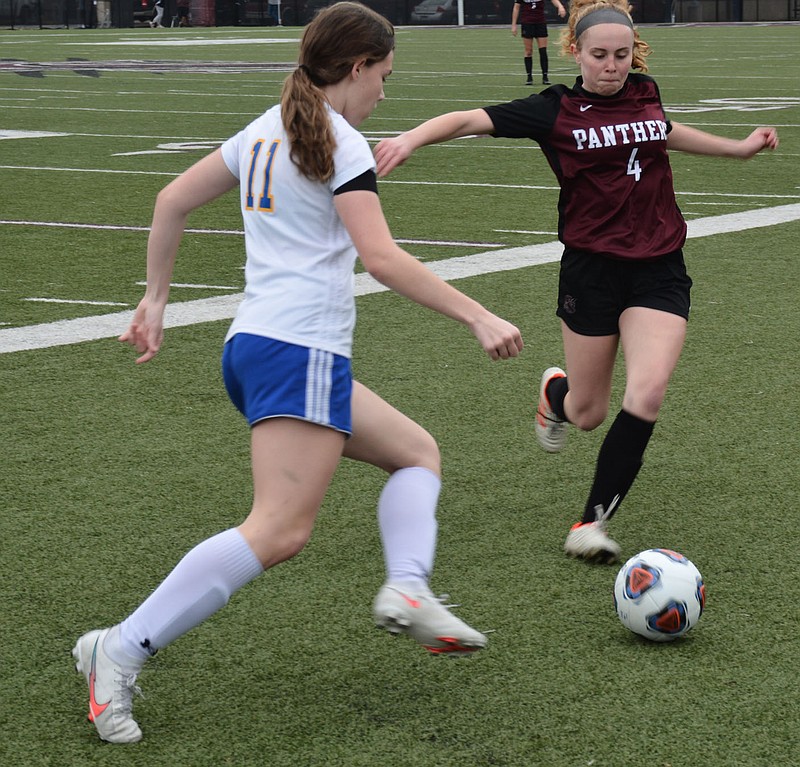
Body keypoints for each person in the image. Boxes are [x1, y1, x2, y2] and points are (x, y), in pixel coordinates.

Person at [72, 1, 523, 745]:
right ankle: (118, 647)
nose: (386, 90)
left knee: (416, 451)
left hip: (256, 347)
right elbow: (380, 257)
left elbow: (170, 200)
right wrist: (476, 314)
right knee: (279, 529)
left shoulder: (266, 126)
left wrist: (156, 299)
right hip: (298, 351)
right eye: (384, 74)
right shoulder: (339, 141)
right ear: (355, 67)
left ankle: (409, 586)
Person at [374, 0, 778, 564]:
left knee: (648, 393)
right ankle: (556, 395)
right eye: (599, 55)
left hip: (660, 267)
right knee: (588, 413)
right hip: (591, 271)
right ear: (575, 53)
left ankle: (590, 522)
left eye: (621, 54)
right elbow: (471, 119)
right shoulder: (554, 110)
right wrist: (411, 139)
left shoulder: (646, 90)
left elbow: (664, 132)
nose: (611, 66)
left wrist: (737, 149)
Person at [511, 0, 566, 86]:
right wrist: (513, 25)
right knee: (528, 51)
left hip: (540, 22)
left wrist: (560, 6)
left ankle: (545, 76)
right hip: (527, 23)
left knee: (543, 50)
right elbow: (516, 8)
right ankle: (529, 77)